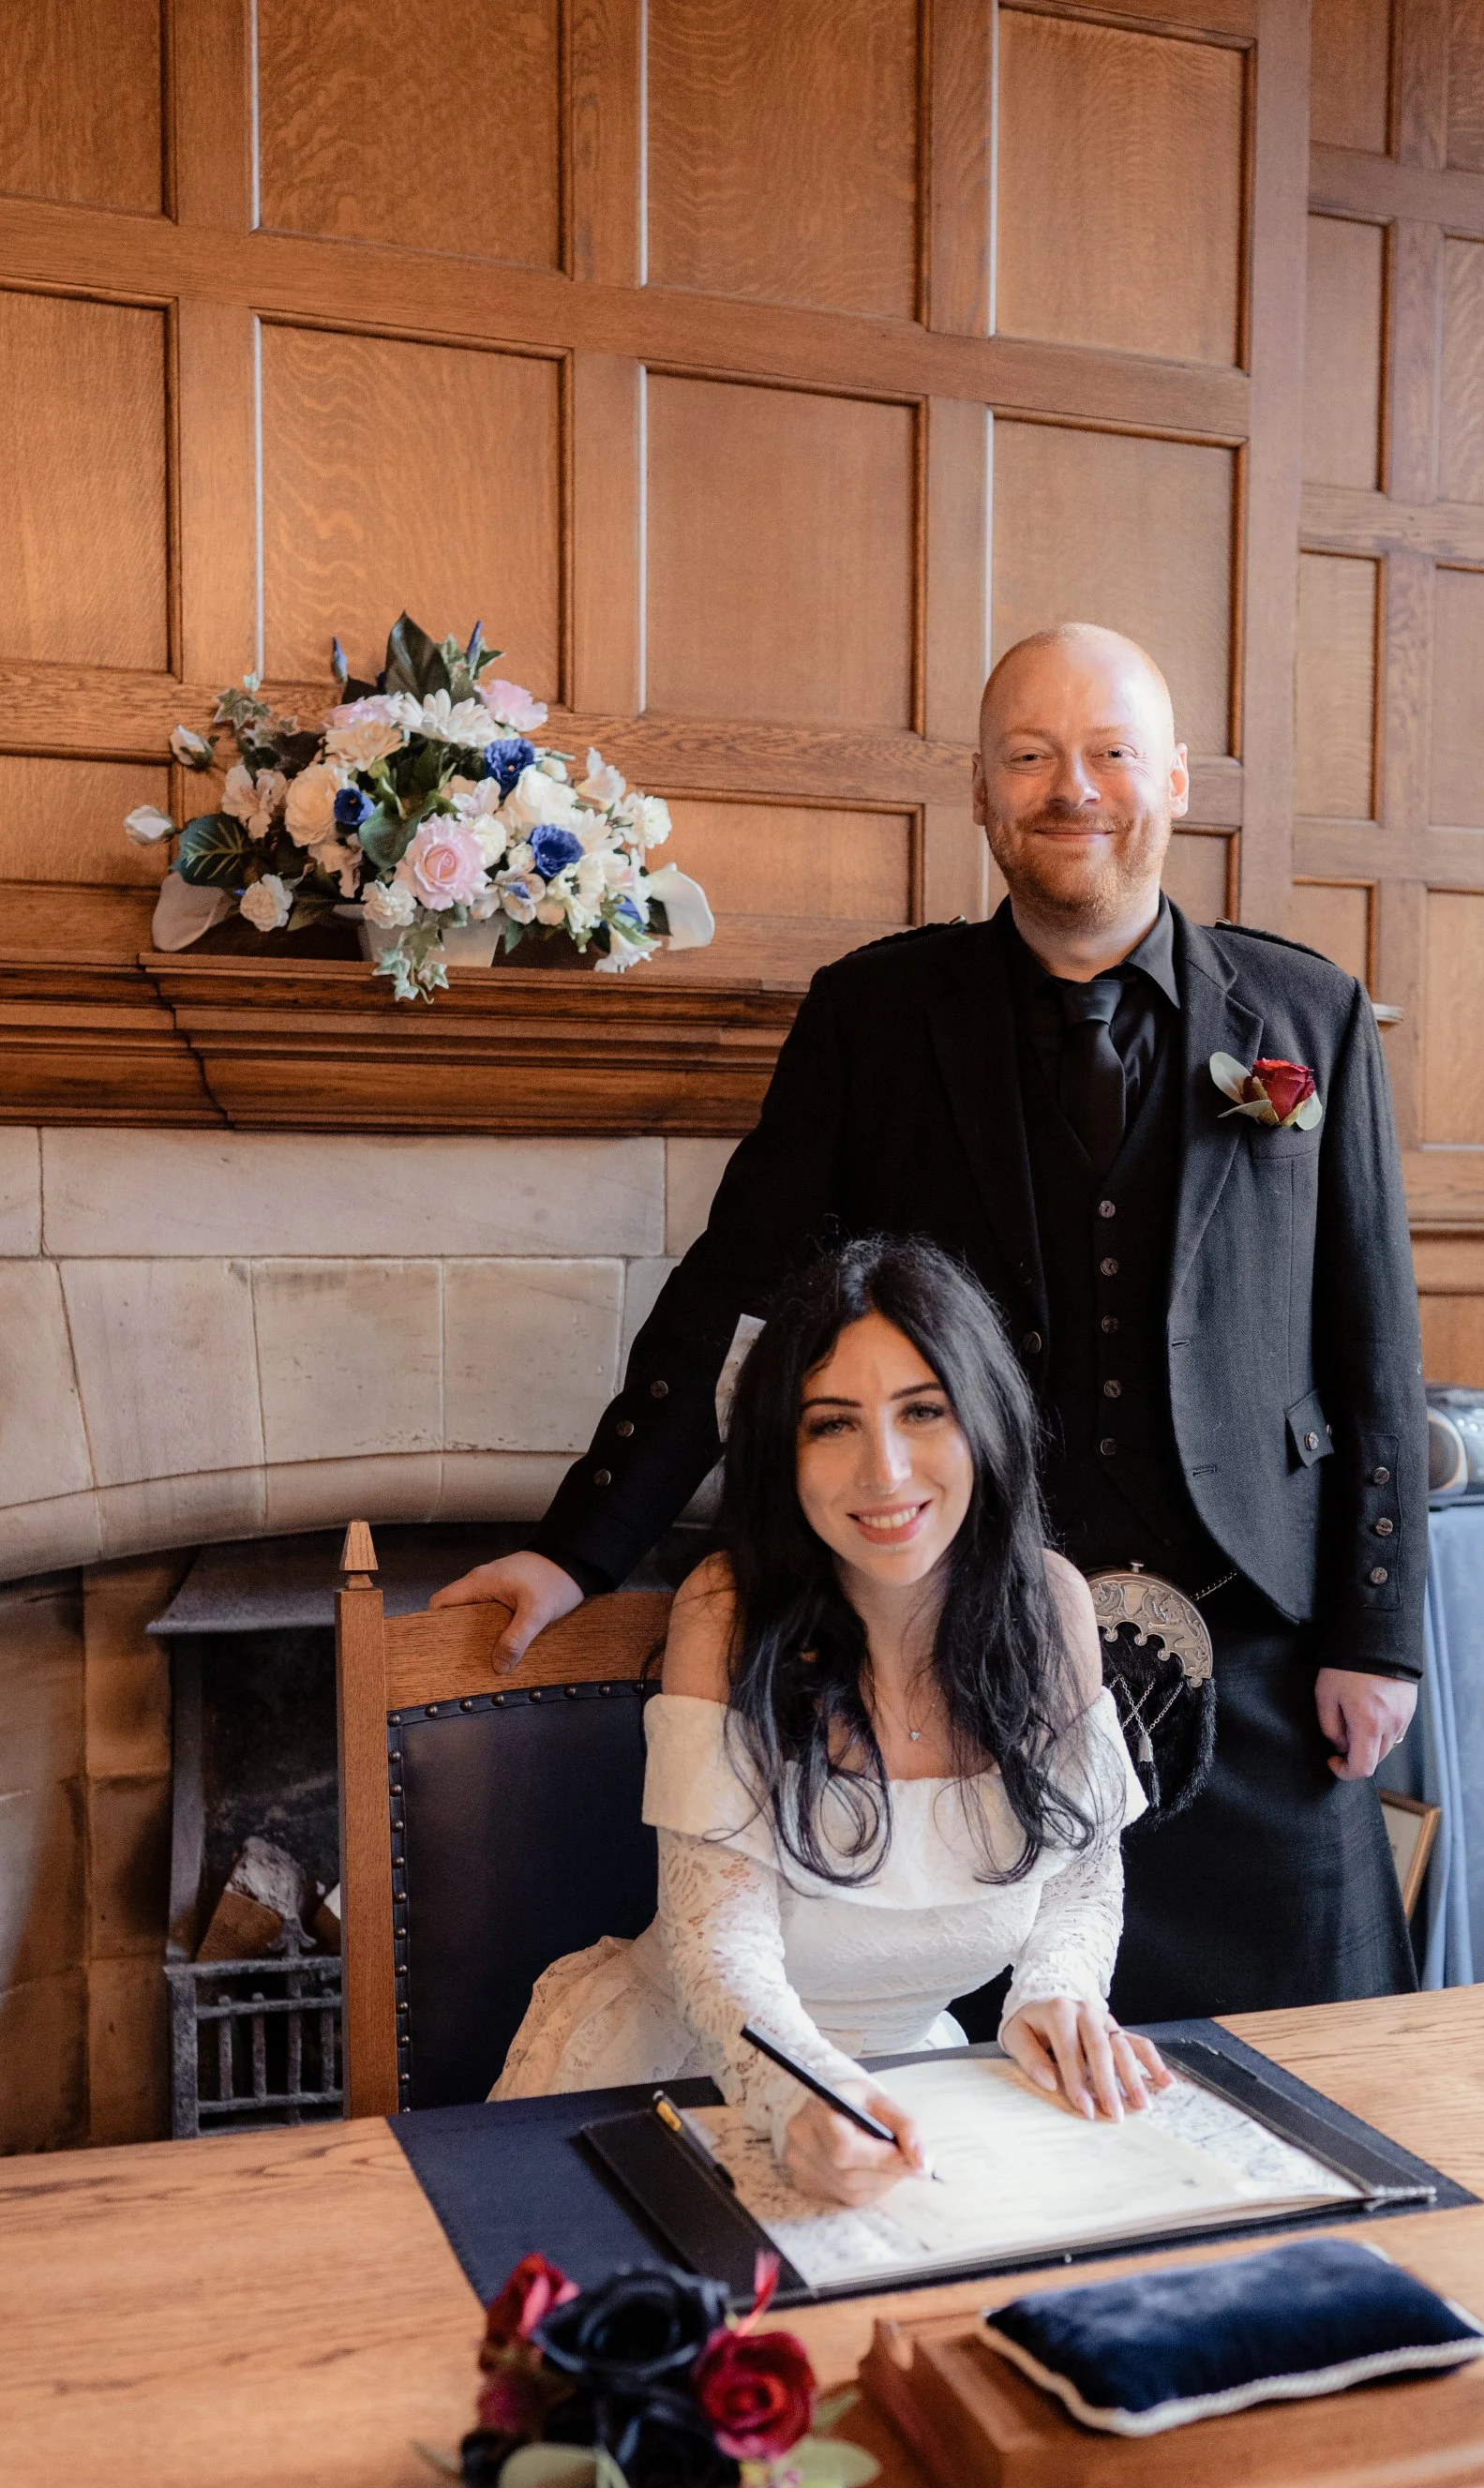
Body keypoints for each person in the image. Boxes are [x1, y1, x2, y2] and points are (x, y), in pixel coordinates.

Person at [438, 621, 1427, 2017]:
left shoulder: (1306, 1016)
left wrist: (1377, 1633)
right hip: (966, 1679)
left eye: (1107, 754)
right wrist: (578, 1544)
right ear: (980, 792)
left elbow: (1376, 1349)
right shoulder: (874, 1017)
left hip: (1257, 1663)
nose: (1070, 788)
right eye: (1029, 758)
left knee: (1310, 2085)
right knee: (997, 2120)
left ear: (1179, 782)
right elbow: (734, 1295)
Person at [491, 1236, 1166, 2205]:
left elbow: (1082, 1867)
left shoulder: (1053, 1604)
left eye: (923, 1412)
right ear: (783, 1450)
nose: (884, 1473)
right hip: (677, 2078)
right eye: (832, 1425)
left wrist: (1058, 1987)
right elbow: (718, 1951)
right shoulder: (725, 1612)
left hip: (916, 2093)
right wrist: (800, 2092)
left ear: (985, 1419)